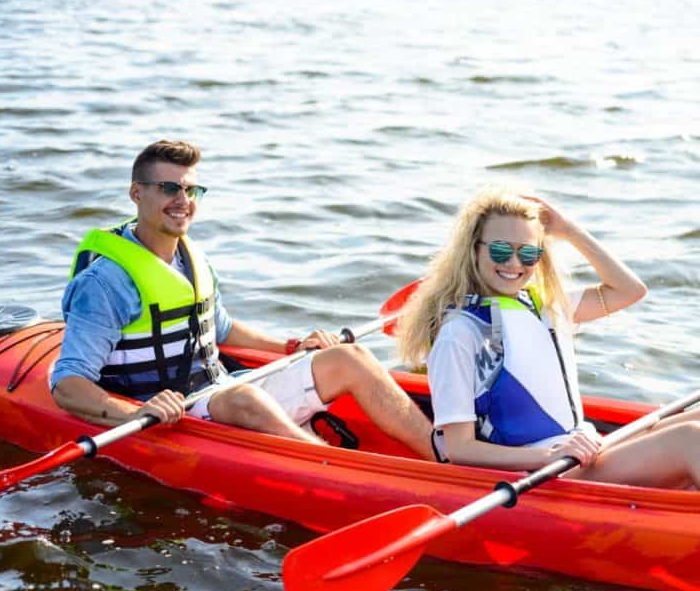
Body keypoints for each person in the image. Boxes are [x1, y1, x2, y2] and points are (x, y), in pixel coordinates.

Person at [397, 187, 700, 490]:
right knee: (692, 441)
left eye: (529, 252)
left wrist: (569, 230)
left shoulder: (544, 305)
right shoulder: (461, 335)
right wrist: (548, 458)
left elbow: (629, 291)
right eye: (500, 250)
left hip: (583, 449)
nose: (515, 262)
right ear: (473, 251)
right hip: (549, 473)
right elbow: (458, 450)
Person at [51, 139, 435, 461]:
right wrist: (137, 412)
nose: (183, 200)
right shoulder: (103, 284)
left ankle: (446, 457)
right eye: (170, 188)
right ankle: (340, 471)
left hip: (219, 389)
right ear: (137, 193)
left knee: (351, 357)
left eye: (191, 190)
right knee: (242, 397)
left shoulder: (190, 257)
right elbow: (68, 384)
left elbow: (221, 330)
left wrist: (292, 345)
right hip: (170, 410)